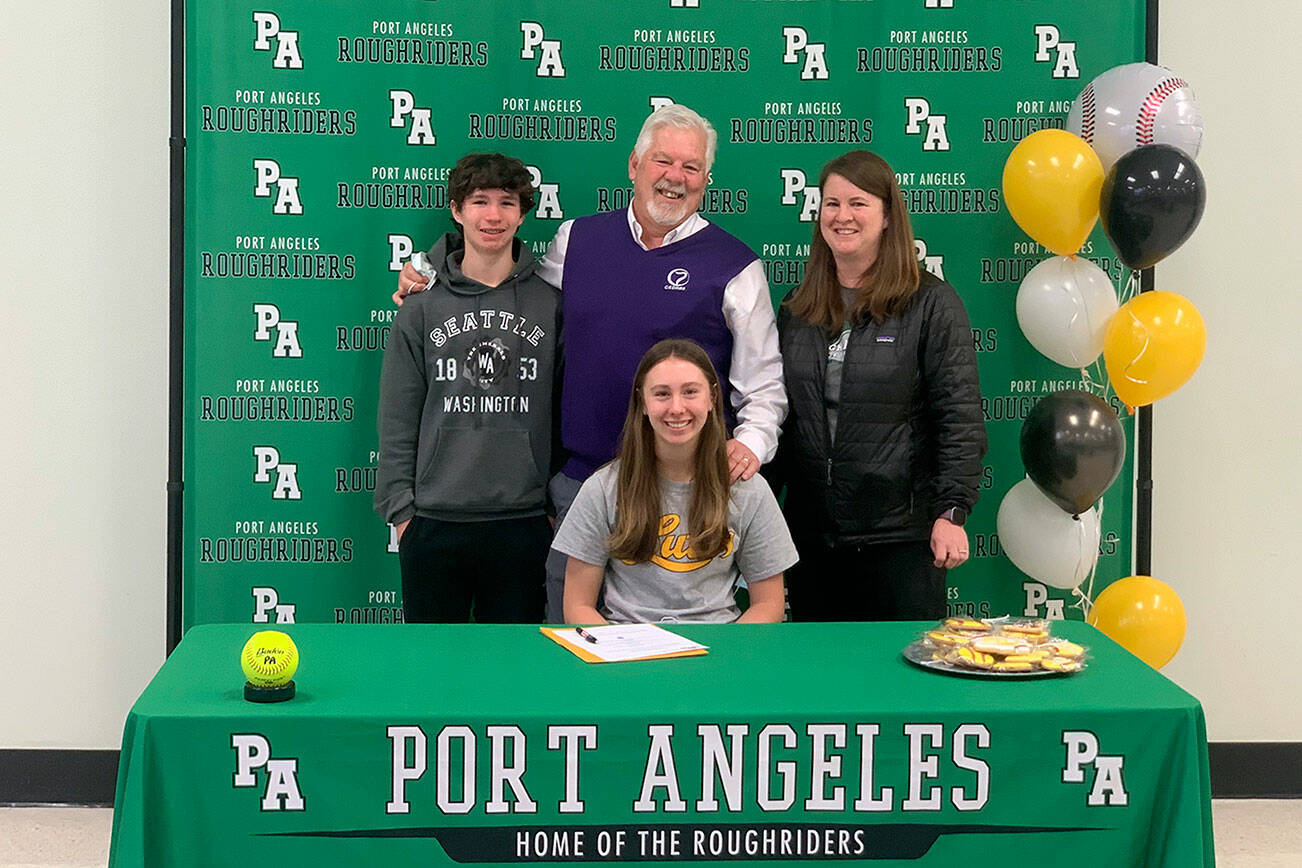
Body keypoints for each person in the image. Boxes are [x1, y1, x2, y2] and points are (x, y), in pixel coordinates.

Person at [395, 105, 786, 622]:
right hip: (579, 485)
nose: (675, 177)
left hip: (684, 494)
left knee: (676, 648)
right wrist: (430, 267)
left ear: (707, 180)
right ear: (633, 164)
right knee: (572, 640)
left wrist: (751, 444)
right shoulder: (576, 241)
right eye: (662, 161)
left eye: (691, 168)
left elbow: (764, 386)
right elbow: (501, 281)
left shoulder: (735, 264)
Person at [772, 150, 987, 622]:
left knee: (904, 688)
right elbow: (781, 421)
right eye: (831, 204)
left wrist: (952, 511)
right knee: (825, 689)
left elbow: (959, 417)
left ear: (888, 215)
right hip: (812, 539)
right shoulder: (797, 307)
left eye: (858, 203)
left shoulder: (931, 304)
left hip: (901, 540)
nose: (842, 216)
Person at [373, 153, 561, 623]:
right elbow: (397, 415)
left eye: (506, 202)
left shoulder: (551, 304)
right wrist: (402, 512)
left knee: (513, 677)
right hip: (434, 521)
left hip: (523, 521)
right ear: (457, 211)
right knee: (432, 676)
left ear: (523, 213)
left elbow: (565, 409)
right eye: (479, 201)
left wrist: (554, 507)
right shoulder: (419, 306)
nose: (493, 216)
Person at [552, 339, 795, 624]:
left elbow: (769, 604)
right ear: (642, 401)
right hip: (626, 652)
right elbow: (577, 606)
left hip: (718, 652)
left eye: (691, 392)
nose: (677, 408)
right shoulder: (603, 488)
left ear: (712, 398)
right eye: (662, 394)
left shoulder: (747, 490)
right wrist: (617, 654)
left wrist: (724, 657)